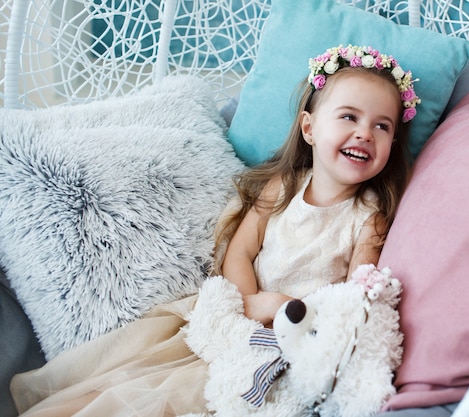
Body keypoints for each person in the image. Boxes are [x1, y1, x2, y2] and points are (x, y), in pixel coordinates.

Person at [10, 44, 418, 417]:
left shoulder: (369, 216)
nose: (365, 132)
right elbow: (239, 253)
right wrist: (250, 304)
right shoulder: (284, 187)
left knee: (178, 402)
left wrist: (287, 314)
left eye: (382, 126)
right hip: (233, 322)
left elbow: (349, 300)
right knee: (122, 390)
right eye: (349, 116)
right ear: (309, 128)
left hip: (287, 344)